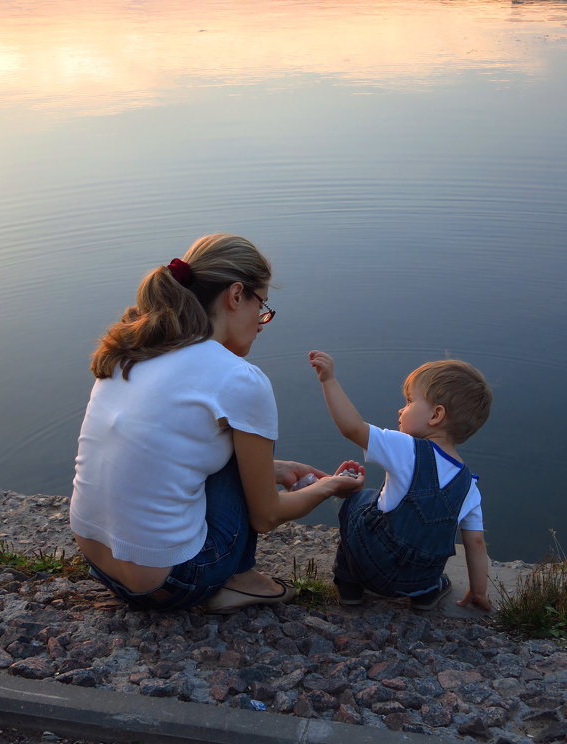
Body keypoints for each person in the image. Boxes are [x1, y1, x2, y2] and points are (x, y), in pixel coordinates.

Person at [70, 234, 364, 614]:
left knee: (230, 453)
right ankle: (243, 580)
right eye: (262, 305)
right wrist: (328, 487)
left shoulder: (132, 350)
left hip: (98, 560)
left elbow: (161, 451)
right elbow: (266, 514)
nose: (262, 323)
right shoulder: (240, 379)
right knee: (244, 467)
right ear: (236, 294)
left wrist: (274, 469)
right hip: (173, 582)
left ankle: (223, 577)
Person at [309, 351, 492, 611]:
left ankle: (348, 583)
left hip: (370, 565)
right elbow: (475, 543)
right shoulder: (469, 487)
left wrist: (329, 381)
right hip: (418, 579)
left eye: (409, 401)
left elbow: (352, 427)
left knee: (359, 498)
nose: (401, 409)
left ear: (436, 416)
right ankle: (427, 593)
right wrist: (479, 591)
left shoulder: (407, 448)